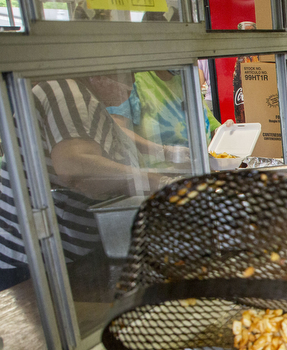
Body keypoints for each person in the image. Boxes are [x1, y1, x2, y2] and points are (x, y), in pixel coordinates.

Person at [0, 78, 168, 289]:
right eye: (126, 75)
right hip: (33, 263)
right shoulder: (67, 91)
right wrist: (153, 182)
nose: (131, 83)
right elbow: (75, 168)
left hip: (64, 256)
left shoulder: (85, 99)